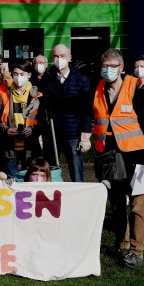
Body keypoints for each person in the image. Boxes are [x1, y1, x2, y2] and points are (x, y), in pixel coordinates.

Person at [90, 48, 144, 269]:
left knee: (138, 205)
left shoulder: (135, 87)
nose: (108, 70)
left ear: (121, 68)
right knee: (117, 204)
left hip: (138, 155)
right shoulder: (99, 88)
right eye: (105, 66)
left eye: (112, 66)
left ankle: (136, 251)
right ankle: (122, 245)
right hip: (110, 156)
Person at [40, 44, 92, 182]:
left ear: (69, 58)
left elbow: (87, 110)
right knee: (51, 172)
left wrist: (85, 135)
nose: (59, 59)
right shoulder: (46, 81)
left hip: (72, 133)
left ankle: (78, 199)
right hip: (51, 134)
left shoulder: (82, 80)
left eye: (62, 56)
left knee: (76, 172)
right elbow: (41, 109)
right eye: (56, 56)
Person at [0, 59, 44, 176]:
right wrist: (6, 130)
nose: (18, 77)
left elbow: (44, 123)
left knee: (31, 182)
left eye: (22, 74)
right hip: (10, 150)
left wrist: (33, 129)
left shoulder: (37, 97)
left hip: (31, 149)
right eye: (15, 74)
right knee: (11, 183)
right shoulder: (5, 95)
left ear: (29, 75)